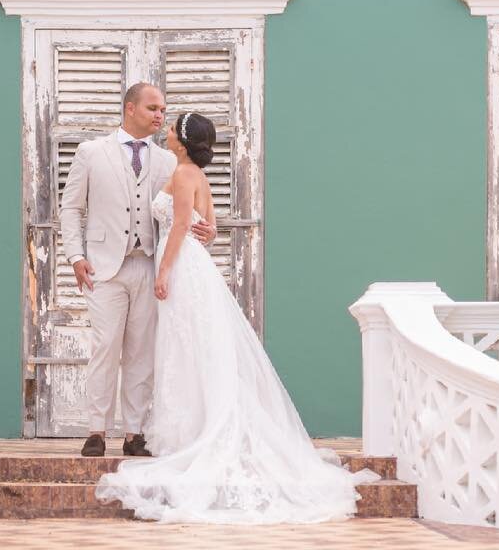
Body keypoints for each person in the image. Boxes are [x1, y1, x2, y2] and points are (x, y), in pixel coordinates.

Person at [95, 111, 376, 523]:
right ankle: (187, 428)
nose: (166, 132)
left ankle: (191, 434)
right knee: (192, 347)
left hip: (182, 266)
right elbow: (208, 225)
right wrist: (201, 234)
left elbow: (178, 229)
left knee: (185, 348)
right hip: (195, 264)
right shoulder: (193, 174)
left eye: (172, 129)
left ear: (184, 140)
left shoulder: (185, 173)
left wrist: (165, 270)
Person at [59, 83, 215, 458]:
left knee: (143, 353)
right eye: (153, 108)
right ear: (130, 108)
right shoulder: (91, 152)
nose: (160, 116)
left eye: (163, 110)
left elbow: (186, 215)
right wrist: (75, 257)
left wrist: (208, 229)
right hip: (102, 267)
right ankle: (97, 430)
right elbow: (70, 208)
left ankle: (135, 433)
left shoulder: (168, 161)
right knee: (104, 349)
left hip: (149, 265)